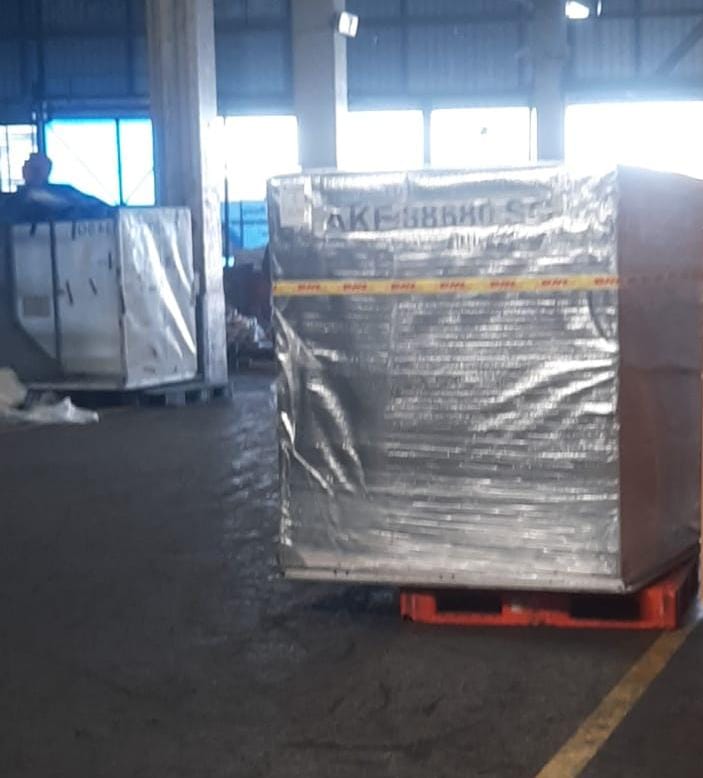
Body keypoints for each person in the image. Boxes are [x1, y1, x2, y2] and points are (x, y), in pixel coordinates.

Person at [0, 152, 113, 224]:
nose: (35, 173)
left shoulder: (65, 192)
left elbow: (98, 208)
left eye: (39, 169)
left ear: (48, 171)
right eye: (32, 168)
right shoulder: (10, 201)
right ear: (24, 170)